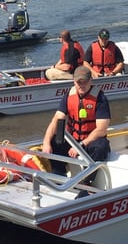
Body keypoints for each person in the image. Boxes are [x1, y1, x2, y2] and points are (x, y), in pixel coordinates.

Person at [41, 66, 111, 195]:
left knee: (101, 147)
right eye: (79, 82)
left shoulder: (100, 98)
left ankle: (85, 182)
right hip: (74, 139)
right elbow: (56, 119)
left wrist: (81, 144)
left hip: (90, 141)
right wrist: (46, 142)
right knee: (54, 142)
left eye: (84, 82)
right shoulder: (69, 95)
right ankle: (59, 175)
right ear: (74, 81)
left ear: (91, 81)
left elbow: (101, 129)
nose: (81, 85)